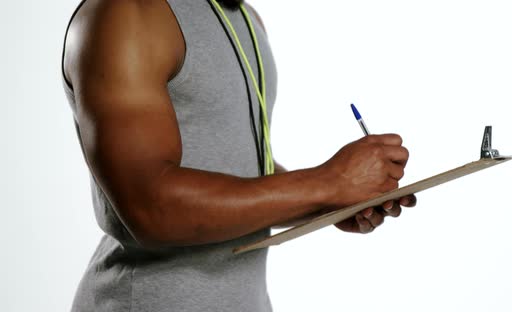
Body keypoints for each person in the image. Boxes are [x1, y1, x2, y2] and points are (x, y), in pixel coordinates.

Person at [60, 0, 417, 311]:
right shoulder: (127, 14)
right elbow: (150, 207)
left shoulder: (246, 19)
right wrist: (328, 182)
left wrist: (330, 202)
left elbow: (243, 168)